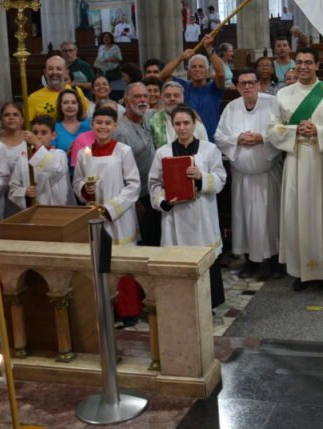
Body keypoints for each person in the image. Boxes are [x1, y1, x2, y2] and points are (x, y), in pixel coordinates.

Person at [267, 48, 323, 291]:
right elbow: (272, 129)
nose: (303, 66)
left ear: (316, 65)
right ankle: (301, 270)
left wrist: (320, 132)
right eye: (299, 62)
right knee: (297, 213)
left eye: (308, 62)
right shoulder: (283, 95)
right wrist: (294, 131)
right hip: (296, 161)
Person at [150, 105, 228, 309]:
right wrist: (164, 201)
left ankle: (207, 305)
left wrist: (201, 178)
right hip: (175, 216)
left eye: (186, 123)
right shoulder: (163, 152)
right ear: (172, 125)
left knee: (205, 260)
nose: (182, 128)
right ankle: (180, 304)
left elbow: (221, 178)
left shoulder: (209, 149)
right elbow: (154, 184)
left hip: (202, 215)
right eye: (178, 123)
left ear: (194, 124)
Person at [72, 106, 142, 324]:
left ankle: (129, 311)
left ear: (115, 126)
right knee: (102, 265)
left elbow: (133, 185)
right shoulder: (85, 154)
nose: (103, 127)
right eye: (99, 122)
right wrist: (85, 189)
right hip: (95, 218)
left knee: (123, 264)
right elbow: (77, 182)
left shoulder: (124, 151)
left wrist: (111, 208)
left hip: (120, 217)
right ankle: (107, 309)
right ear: (92, 125)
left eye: (107, 123)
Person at [215, 69, 283, 279]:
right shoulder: (231, 107)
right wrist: (237, 139)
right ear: (236, 86)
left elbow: (282, 131)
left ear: (258, 84)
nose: (247, 87)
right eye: (242, 83)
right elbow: (219, 136)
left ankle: (274, 261)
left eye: (251, 82)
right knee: (244, 218)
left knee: (271, 219)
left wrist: (262, 138)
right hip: (242, 177)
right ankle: (251, 262)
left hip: (267, 174)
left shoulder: (272, 103)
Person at [113, 82, 157, 246]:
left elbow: (166, 110)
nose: (142, 100)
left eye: (145, 96)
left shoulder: (147, 116)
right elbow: (118, 170)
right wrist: (134, 202)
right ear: (126, 100)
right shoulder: (120, 131)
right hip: (137, 198)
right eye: (137, 96)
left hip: (153, 191)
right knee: (144, 241)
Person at [157, 35, 226, 131]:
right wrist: (181, 57)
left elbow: (221, 74)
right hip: (185, 136)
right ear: (188, 72)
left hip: (210, 138)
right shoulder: (182, 87)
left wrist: (209, 48)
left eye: (201, 67)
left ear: (207, 72)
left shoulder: (214, 88)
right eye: (193, 67)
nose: (197, 69)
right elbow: (162, 76)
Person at [10, 115, 71, 207]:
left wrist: (37, 144)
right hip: (33, 212)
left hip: (57, 210)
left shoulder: (59, 155)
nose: (38, 136)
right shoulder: (23, 159)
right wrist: (25, 191)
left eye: (44, 133)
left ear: (53, 135)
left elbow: (54, 169)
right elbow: (13, 190)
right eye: (35, 132)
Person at [147, 81, 209, 149]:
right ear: (162, 99)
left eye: (176, 95)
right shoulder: (152, 121)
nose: (172, 98)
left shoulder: (195, 122)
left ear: (183, 98)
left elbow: (206, 149)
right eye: (168, 96)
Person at [0, 102, 29, 218]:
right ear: (1, 119)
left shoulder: (29, 141)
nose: (11, 117)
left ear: (22, 119)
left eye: (15, 114)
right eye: (7, 115)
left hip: (24, 196)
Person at [53, 89, 91, 157]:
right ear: (60, 105)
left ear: (78, 105)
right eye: (65, 102)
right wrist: (66, 155)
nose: (70, 106)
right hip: (64, 167)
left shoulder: (90, 125)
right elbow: (51, 159)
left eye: (73, 102)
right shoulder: (54, 128)